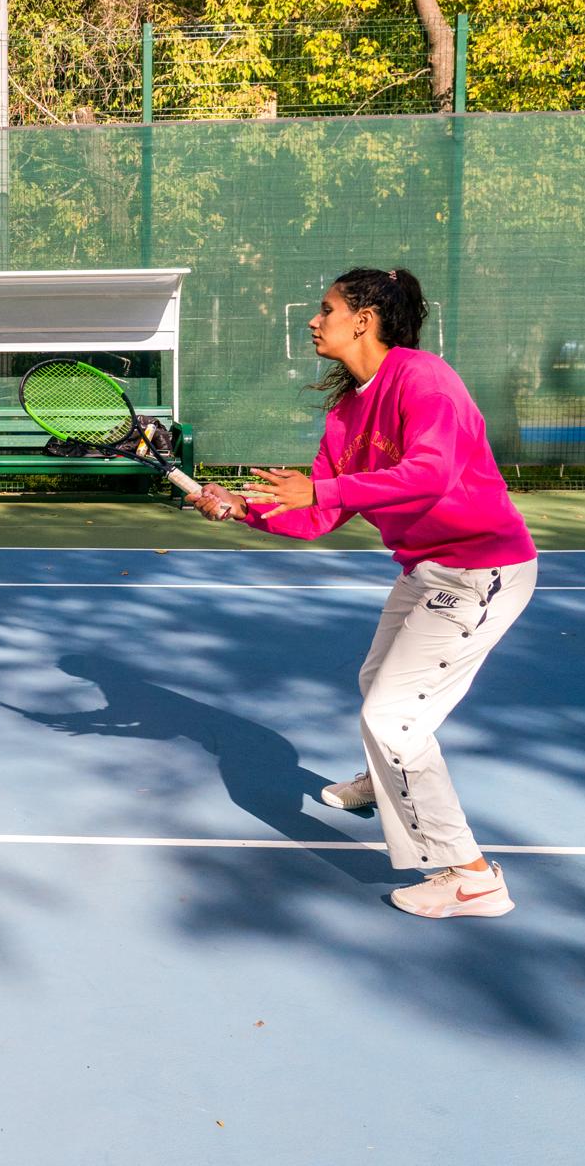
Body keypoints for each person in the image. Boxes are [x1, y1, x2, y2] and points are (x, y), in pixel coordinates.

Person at [189, 268, 536, 919]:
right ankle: (381, 781)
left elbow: (430, 474)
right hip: (427, 567)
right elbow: (315, 514)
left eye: (326, 309)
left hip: (481, 569)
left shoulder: (423, 378)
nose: (315, 321)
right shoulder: (347, 412)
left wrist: (322, 490)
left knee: (392, 717)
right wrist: (240, 507)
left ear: (365, 318)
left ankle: (470, 875)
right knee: (377, 678)